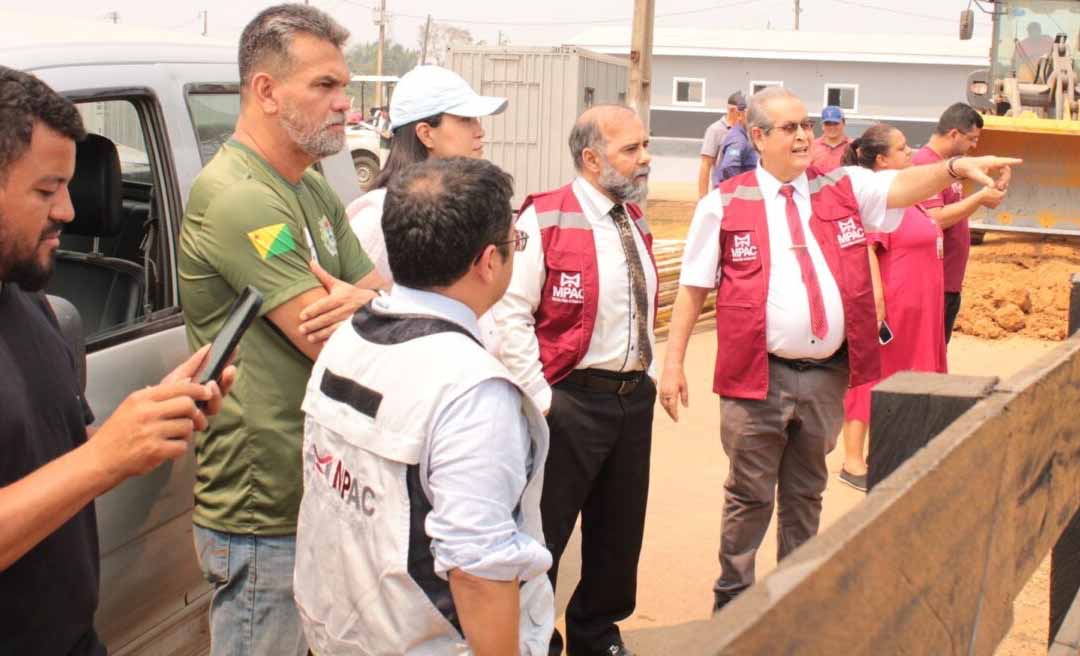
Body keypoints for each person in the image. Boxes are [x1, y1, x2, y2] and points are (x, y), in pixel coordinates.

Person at [659, 87, 1018, 612]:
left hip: (825, 376)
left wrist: (958, 166)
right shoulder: (724, 204)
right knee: (749, 497)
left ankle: (796, 603)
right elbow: (692, 287)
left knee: (806, 495)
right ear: (758, 137)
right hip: (756, 377)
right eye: (790, 128)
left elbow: (903, 184)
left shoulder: (842, 186)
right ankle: (732, 606)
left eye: (806, 125)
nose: (804, 136)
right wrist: (673, 365)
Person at [0, 66, 233, 655]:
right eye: (45, 189)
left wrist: (146, 423)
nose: (69, 213)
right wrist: (104, 460)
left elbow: (56, 456)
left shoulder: (30, 300)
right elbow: (87, 465)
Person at [177, 5, 383, 655]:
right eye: (325, 86)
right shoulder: (240, 195)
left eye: (344, 87)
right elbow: (336, 341)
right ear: (266, 91)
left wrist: (366, 300)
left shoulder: (310, 187)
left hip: (313, 490)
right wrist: (368, 305)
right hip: (262, 511)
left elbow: (372, 289)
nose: (345, 105)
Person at [294, 157, 555, 655]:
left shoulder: (351, 337)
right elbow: (478, 570)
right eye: (513, 242)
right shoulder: (471, 389)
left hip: (343, 634)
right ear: (488, 262)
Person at [491, 104, 658, 656]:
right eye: (630, 149)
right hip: (569, 402)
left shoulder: (631, 218)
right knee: (546, 532)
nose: (645, 159)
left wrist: (647, 374)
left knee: (618, 532)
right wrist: (542, 400)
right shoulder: (542, 220)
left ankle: (597, 634)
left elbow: (637, 310)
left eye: (644, 146)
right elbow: (509, 314)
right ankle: (537, 641)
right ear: (591, 158)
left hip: (630, 401)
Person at [838, 124, 950, 491]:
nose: (910, 152)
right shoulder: (875, 200)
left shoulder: (907, 195)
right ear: (882, 160)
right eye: (902, 149)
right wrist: (877, 301)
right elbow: (867, 249)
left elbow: (933, 224)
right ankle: (853, 461)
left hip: (921, 310)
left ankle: (894, 455)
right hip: (895, 309)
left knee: (910, 379)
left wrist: (978, 201)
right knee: (874, 377)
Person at [347, 64, 508, 284]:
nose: (480, 131)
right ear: (426, 134)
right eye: (465, 119)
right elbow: (354, 302)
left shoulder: (460, 207)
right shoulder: (378, 216)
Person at [913, 103, 1006, 344]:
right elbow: (935, 218)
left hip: (947, 282)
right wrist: (979, 199)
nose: (974, 146)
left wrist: (991, 184)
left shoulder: (947, 165)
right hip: (936, 285)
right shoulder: (927, 165)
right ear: (954, 134)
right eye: (971, 139)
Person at [697, 91, 746, 198]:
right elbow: (706, 164)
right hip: (722, 191)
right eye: (742, 111)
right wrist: (703, 198)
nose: (745, 115)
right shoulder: (715, 130)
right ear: (732, 110)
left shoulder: (746, 131)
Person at [717, 98, 758, 182]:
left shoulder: (744, 136)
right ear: (739, 115)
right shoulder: (738, 140)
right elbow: (729, 167)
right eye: (751, 115)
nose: (754, 119)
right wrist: (739, 189)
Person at [810, 105, 851, 172]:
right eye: (828, 123)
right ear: (822, 126)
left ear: (844, 123)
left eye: (835, 123)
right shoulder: (812, 146)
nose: (832, 127)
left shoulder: (853, 147)